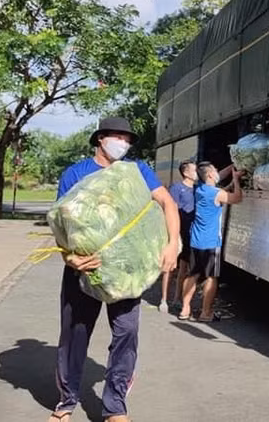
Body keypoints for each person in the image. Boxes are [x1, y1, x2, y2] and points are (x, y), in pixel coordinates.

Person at [48, 117, 180, 422]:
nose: (123, 143)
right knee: (74, 335)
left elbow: (167, 203)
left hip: (126, 272)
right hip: (84, 271)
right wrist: (69, 257)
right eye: (117, 136)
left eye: (127, 139)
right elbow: (60, 222)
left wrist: (173, 243)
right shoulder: (76, 173)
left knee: (126, 333)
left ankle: (115, 407)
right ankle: (66, 402)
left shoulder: (136, 172)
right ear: (100, 139)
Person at [179, 161, 243, 322]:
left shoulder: (200, 188)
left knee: (192, 274)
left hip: (196, 240)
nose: (217, 172)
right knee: (211, 277)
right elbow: (237, 198)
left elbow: (216, 176)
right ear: (209, 175)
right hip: (210, 243)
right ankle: (206, 313)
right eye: (214, 170)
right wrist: (236, 179)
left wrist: (232, 165)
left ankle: (185, 309)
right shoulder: (214, 193)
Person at [159, 160, 197, 313]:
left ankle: (176, 299)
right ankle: (164, 299)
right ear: (186, 173)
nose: (196, 173)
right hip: (176, 233)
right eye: (194, 170)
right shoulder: (177, 188)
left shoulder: (198, 189)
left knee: (183, 268)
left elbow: (216, 179)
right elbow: (171, 208)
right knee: (169, 267)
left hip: (189, 233)